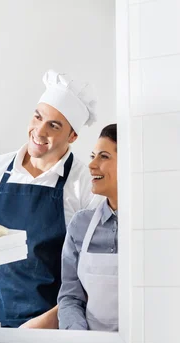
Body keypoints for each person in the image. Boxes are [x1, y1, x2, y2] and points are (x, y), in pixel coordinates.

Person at [0, 69, 99, 329]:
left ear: (72, 137)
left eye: (54, 125)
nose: (39, 130)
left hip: (63, 327)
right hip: (2, 325)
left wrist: (37, 328)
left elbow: (90, 277)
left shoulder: (85, 183)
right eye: (38, 117)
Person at [58, 124, 118, 331]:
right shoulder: (80, 225)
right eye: (93, 156)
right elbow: (70, 297)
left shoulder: (153, 228)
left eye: (103, 156)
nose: (92, 164)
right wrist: (79, 338)